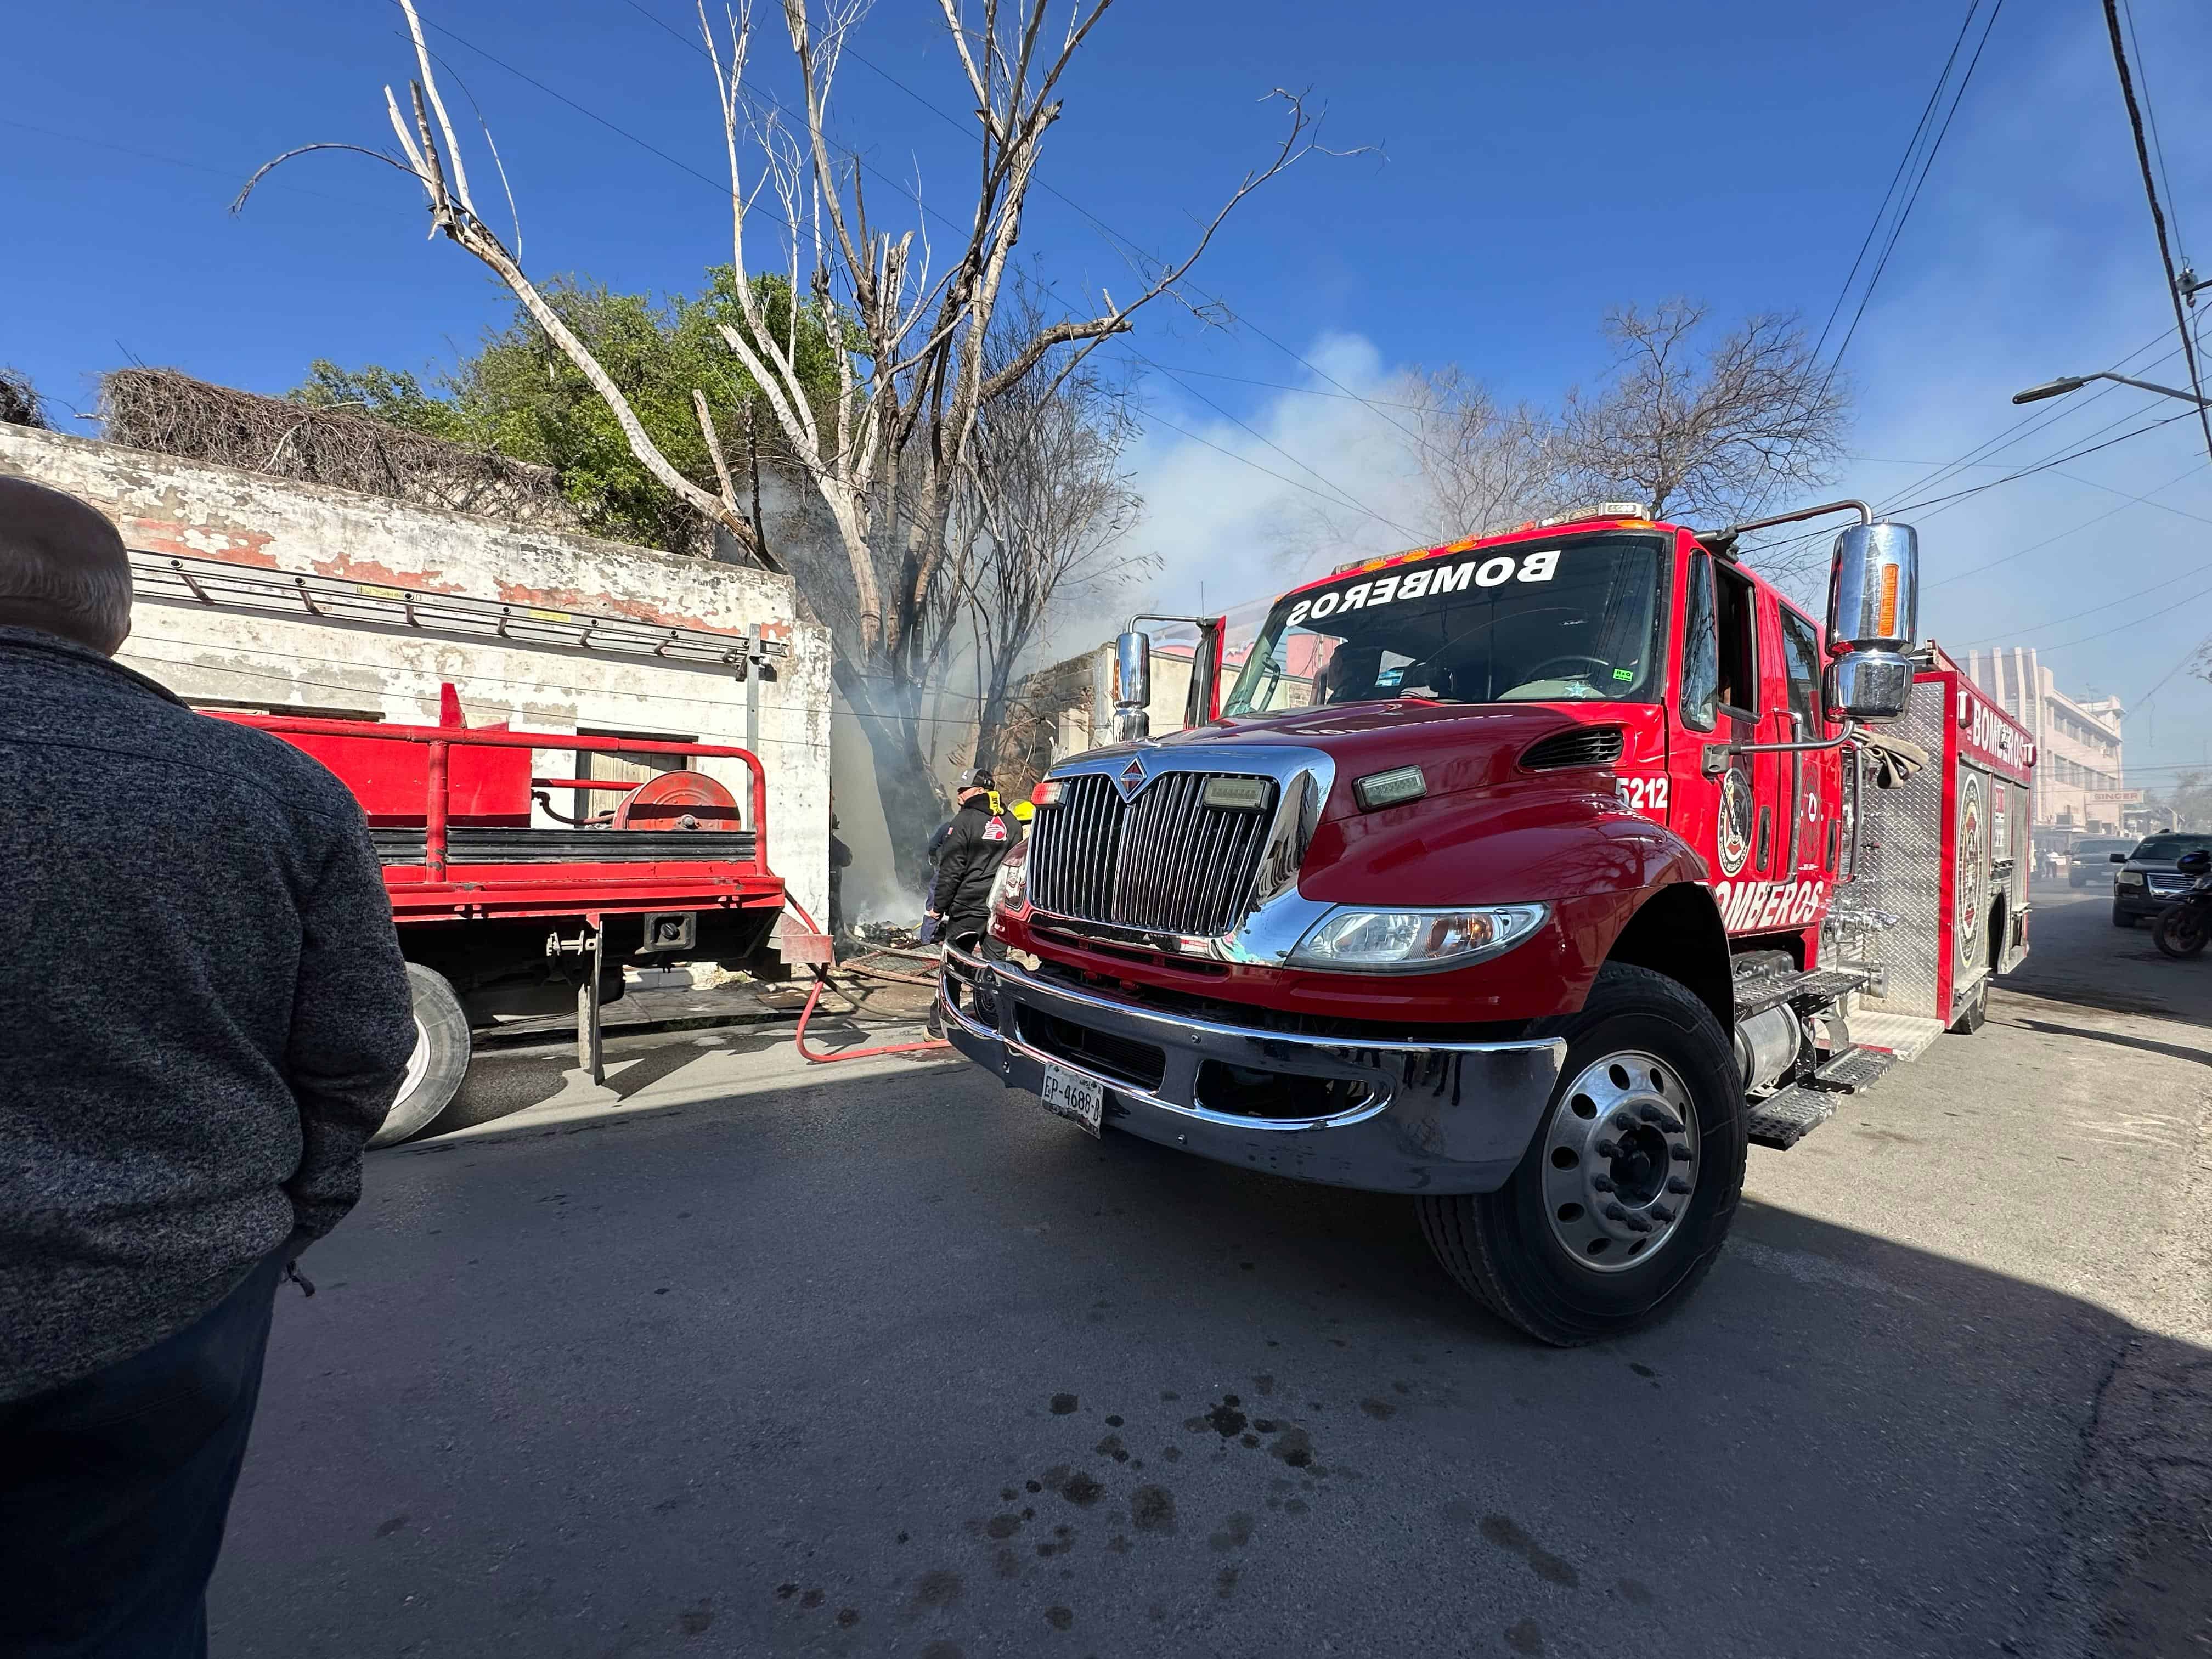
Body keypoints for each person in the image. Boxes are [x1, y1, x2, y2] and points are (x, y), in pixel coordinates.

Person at [0, 477, 417, 1657]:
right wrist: (289, 1216)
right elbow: (360, 1048)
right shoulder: (271, 786)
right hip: (172, 1301)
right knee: (119, 1618)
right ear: (119, 621)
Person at [926, 769, 1018, 1034]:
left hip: (967, 908)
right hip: (999, 910)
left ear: (979, 791)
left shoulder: (964, 822)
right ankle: (996, 1022)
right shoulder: (1011, 822)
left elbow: (951, 869)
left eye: (963, 789)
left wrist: (937, 908)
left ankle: (940, 1025)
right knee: (995, 968)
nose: (958, 793)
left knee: (955, 966)